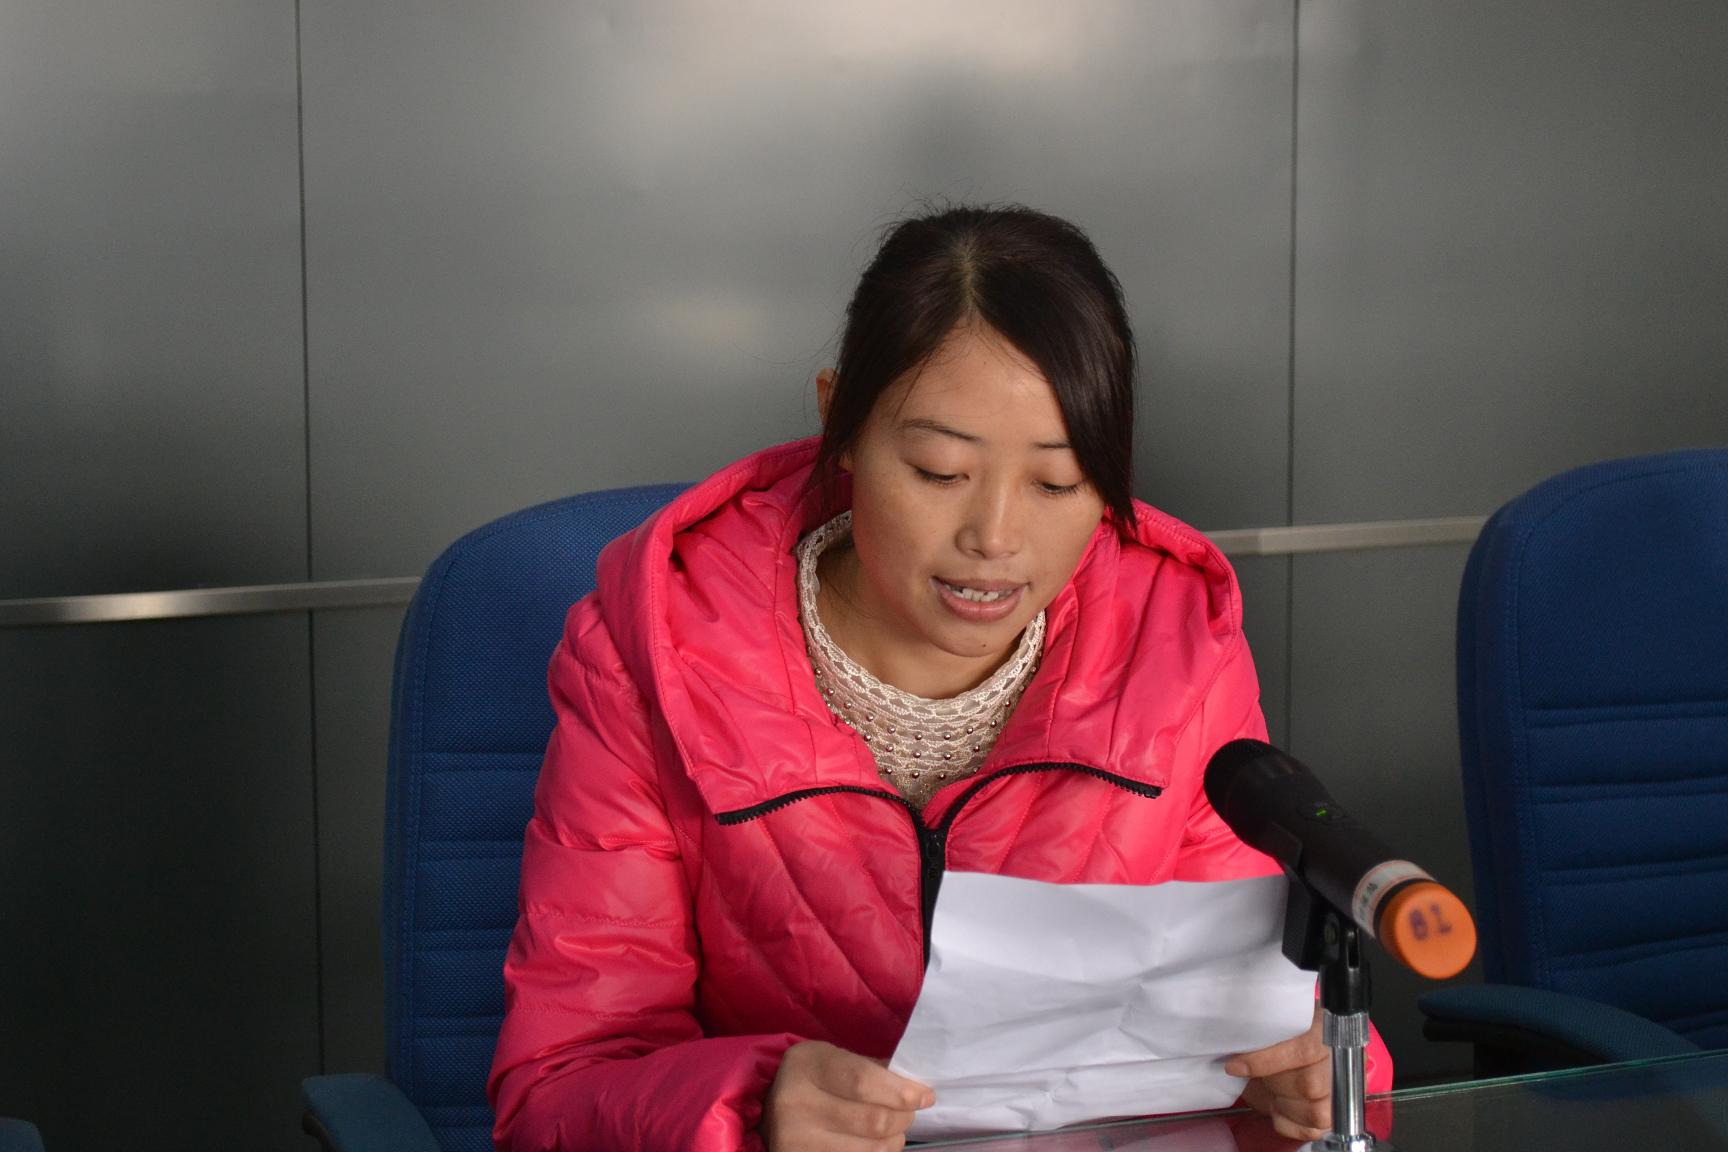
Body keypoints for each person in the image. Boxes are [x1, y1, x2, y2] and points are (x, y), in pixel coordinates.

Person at [486, 204, 1391, 1152]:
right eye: (938, 470)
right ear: (840, 422)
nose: (995, 538)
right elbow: (556, 1094)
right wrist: (753, 1108)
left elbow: (1266, 1017)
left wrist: (1311, 1075)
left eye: (1057, 483)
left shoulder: (1175, 653)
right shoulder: (655, 656)